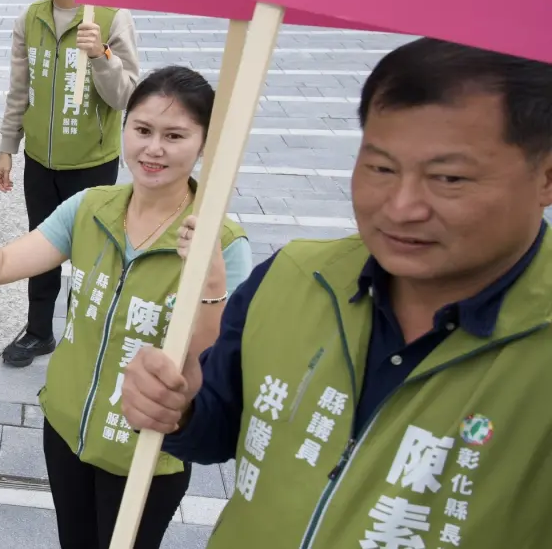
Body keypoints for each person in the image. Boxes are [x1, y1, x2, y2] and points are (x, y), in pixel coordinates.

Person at [121, 39, 552, 548]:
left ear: (545, 176)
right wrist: (179, 405)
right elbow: (217, 426)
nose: (401, 206)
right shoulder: (294, 276)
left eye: (448, 178)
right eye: (380, 167)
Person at [0, 67, 253, 549]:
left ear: (204, 144)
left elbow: (208, 380)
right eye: (142, 130)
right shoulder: (89, 208)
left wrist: (209, 284)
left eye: (175, 135)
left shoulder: (222, 244)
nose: (154, 148)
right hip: (65, 431)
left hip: (145, 453)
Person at [0, 0, 141, 368]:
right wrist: (7, 147)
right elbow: (20, 89)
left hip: (92, 162)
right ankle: (39, 331)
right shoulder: (31, 18)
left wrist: (101, 54)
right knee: (41, 248)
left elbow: (127, 98)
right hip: (40, 160)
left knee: (88, 257)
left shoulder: (111, 18)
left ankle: (83, 337)